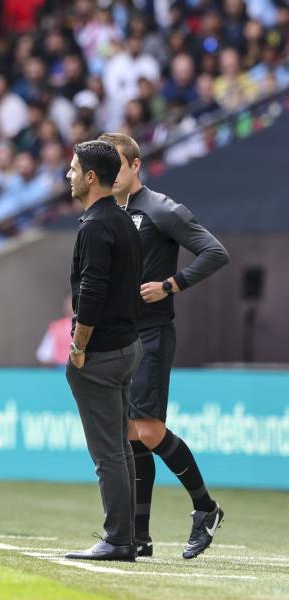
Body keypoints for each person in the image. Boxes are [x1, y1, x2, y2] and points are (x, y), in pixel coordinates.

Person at [100, 133, 230, 560]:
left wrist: (173, 284)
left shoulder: (161, 209)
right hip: (122, 335)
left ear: (136, 165)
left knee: (149, 430)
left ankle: (206, 508)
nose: (109, 173)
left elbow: (214, 252)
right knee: (130, 435)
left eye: (116, 164)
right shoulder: (110, 214)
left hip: (152, 332)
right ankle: (139, 535)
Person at [63, 140, 143, 562]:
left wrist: (79, 346)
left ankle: (118, 538)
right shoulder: (124, 220)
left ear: (92, 177)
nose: (69, 175)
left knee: (107, 452)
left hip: (101, 352)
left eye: (74, 169)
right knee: (121, 447)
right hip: (127, 346)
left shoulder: (95, 226)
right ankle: (126, 536)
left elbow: (92, 291)